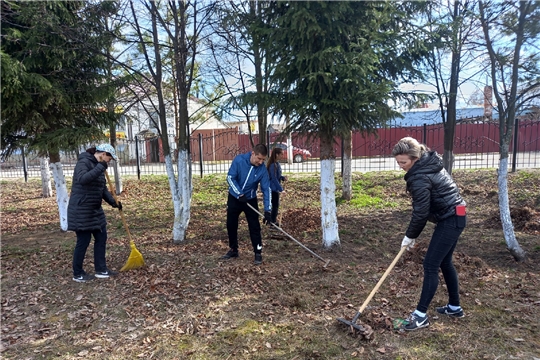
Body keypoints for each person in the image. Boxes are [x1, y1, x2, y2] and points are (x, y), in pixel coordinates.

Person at [392, 137, 467, 331]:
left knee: (431, 264)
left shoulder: (419, 176)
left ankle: (420, 316)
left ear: (415, 158)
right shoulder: (429, 163)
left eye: (404, 162)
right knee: (444, 262)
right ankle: (454, 307)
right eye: (398, 162)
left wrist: (410, 236)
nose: (400, 166)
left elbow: (421, 213)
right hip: (455, 215)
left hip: (451, 218)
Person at [68, 144, 122, 282]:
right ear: (103, 154)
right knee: (83, 241)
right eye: (109, 158)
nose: (109, 161)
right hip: (81, 210)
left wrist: (113, 202)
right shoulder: (84, 162)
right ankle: (78, 273)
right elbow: (83, 179)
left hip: (95, 210)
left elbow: (102, 189)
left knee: (101, 238)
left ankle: (101, 269)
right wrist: (100, 167)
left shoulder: (100, 168)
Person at [222, 144, 272, 265]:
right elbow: (230, 178)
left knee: (254, 226)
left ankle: (258, 252)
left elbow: (266, 189)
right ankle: (233, 249)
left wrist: (268, 210)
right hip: (235, 197)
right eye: (259, 158)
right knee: (231, 224)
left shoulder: (262, 169)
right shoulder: (239, 160)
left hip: (250, 199)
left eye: (263, 160)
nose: (260, 162)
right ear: (253, 153)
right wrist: (239, 194)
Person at [267, 147, 287, 225]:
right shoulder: (273, 165)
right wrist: (281, 189)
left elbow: (278, 176)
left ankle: (272, 220)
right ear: (276, 154)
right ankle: (272, 222)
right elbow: (274, 178)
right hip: (272, 188)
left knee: (275, 205)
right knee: (275, 205)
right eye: (281, 154)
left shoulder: (277, 164)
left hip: (275, 188)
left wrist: (282, 178)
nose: (282, 155)